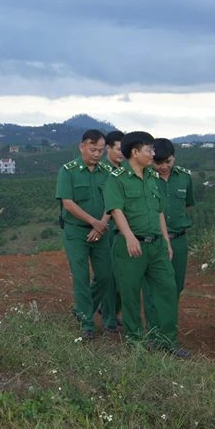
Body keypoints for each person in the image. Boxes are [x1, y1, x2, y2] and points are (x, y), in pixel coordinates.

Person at [103, 131, 190, 358]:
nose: (153, 153)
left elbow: (159, 211)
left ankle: (166, 341)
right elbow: (116, 209)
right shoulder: (117, 178)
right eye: (149, 149)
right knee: (131, 295)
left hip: (157, 246)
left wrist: (165, 241)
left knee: (168, 291)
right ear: (135, 152)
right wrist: (130, 237)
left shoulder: (152, 177)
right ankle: (135, 343)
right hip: (131, 246)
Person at [55, 129, 113, 338]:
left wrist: (102, 224)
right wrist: (93, 222)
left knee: (105, 275)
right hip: (76, 232)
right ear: (82, 147)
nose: (97, 154)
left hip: (102, 231)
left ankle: (83, 310)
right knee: (80, 276)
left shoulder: (106, 172)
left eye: (100, 150)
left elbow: (112, 201)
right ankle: (87, 324)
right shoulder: (68, 171)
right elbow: (68, 203)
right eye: (92, 149)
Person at [144, 138, 195, 327]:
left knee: (176, 285)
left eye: (168, 161)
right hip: (154, 240)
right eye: (159, 162)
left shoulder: (184, 177)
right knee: (152, 287)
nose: (164, 166)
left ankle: (168, 327)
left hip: (179, 239)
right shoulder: (146, 178)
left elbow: (188, 205)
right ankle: (153, 331)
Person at [98, 129, 126, 329]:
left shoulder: (125, 172)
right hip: (107, 228)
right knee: (109, 275)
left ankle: (113, 311)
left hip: (122, 230)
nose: (121, 153)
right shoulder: (102, 171)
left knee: (121, 275)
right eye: (118, 149)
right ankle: (108, 316)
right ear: (108, 148)